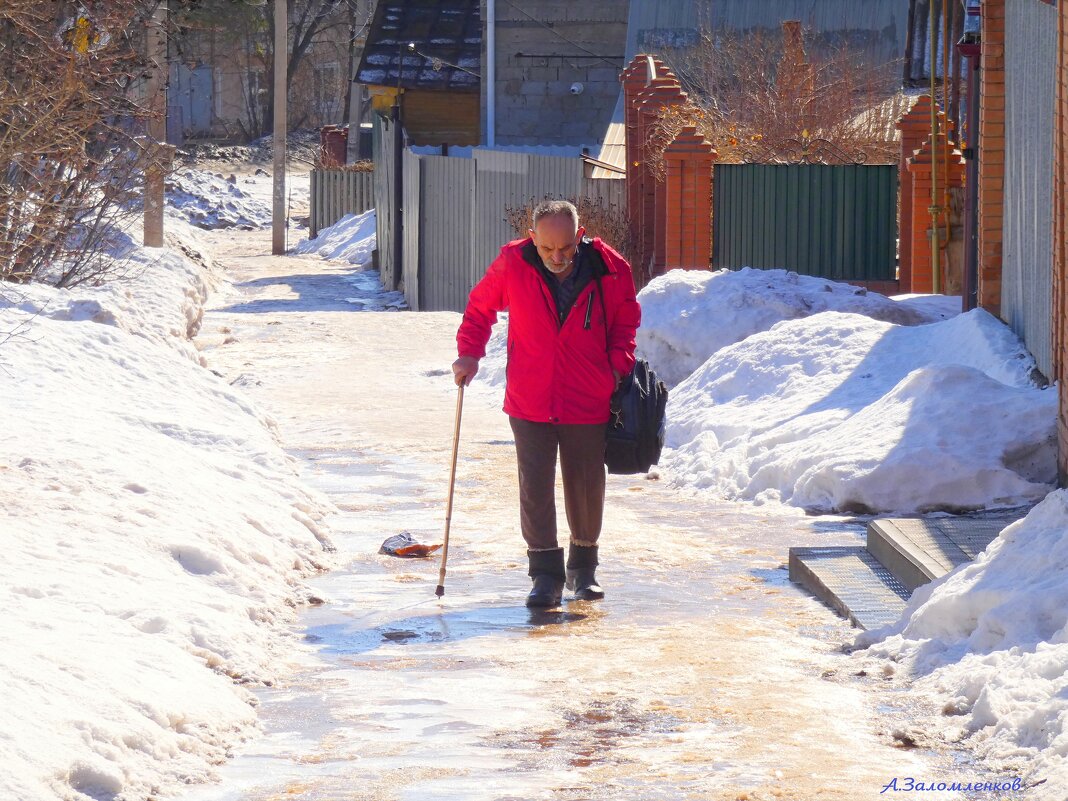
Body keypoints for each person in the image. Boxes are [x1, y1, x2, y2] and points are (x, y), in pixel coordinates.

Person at [452, 200, 641, 608]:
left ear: (580, 234)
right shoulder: (513, 263)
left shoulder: (610, 269)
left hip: (587, 395)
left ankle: (584, 570)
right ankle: (544, 576)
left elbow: (626, 324)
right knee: (535, 486)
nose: (558, 258)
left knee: (585, 485)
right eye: (548, 248)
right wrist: (470, 352)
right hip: (530, 395)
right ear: (533, 238)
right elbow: (479, 308)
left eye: (567, 249)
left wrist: (614, 369)